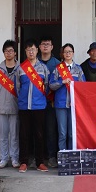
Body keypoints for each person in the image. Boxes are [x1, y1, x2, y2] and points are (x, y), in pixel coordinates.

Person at [18, 40, 50, 173]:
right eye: (28, 50)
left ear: (37, 50)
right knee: (24, 135)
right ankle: (23, 162)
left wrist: (40, 98)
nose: (31, 52)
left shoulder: (43, 68)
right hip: (24, 106)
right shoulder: (20, 68)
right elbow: (17, 87)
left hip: (39, 106)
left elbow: (47, 86)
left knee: (39, 135)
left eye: (33, 49)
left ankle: (39, 162)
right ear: (25, 52)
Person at [49, 43, 85, 151]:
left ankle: (71, 155)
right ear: (63, 54)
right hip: (61, 104)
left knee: (71, 133)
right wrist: (62, 82)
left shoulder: (78, 69)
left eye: (70, 52)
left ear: (73, 53)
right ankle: (63, 156)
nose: (68, 54)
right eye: (65, 52)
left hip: (74, 105)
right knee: (62, 133)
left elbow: (83, 86)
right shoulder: (58, 68)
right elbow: (51, 85)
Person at [0, 40, 21, 169]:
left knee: (14, 135)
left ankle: (15, 158)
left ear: (15, 53)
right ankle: (4, 158)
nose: (8, 53)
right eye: (6, 51)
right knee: (3, 135)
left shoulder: (21, 69)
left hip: (15, 106)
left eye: (11, 51)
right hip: (2, 106)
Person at [39, 37, 60, 167]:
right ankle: (38, 157)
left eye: (48, 44)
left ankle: (52, 156)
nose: (45, 46)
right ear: (39, 47)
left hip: (51, 102)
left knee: (51, 130)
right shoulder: (33, 63)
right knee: (37, 130)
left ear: (52, 47)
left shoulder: (58, 64)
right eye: (43, 44)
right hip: (36, 102)